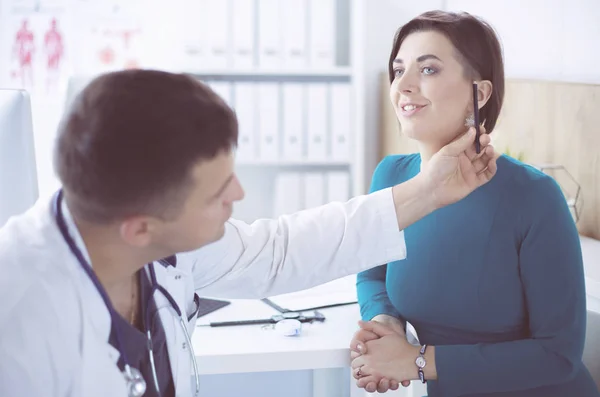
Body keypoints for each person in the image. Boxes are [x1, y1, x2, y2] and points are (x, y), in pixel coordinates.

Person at [0, 69, 496, 397]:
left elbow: (276, 251)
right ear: (140, 228)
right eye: (217, 192)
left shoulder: (144, 235)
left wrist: (429, 190)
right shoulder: (19, 323)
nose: (238, 194)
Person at [349, 10, 600, 397]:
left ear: (479, 93)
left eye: (428, 69)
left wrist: (416, 360)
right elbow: (372, 275)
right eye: (398, 70)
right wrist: (385, 324)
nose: (404, 85)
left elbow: (558, 354)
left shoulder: (534, 196)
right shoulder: (391, 176)